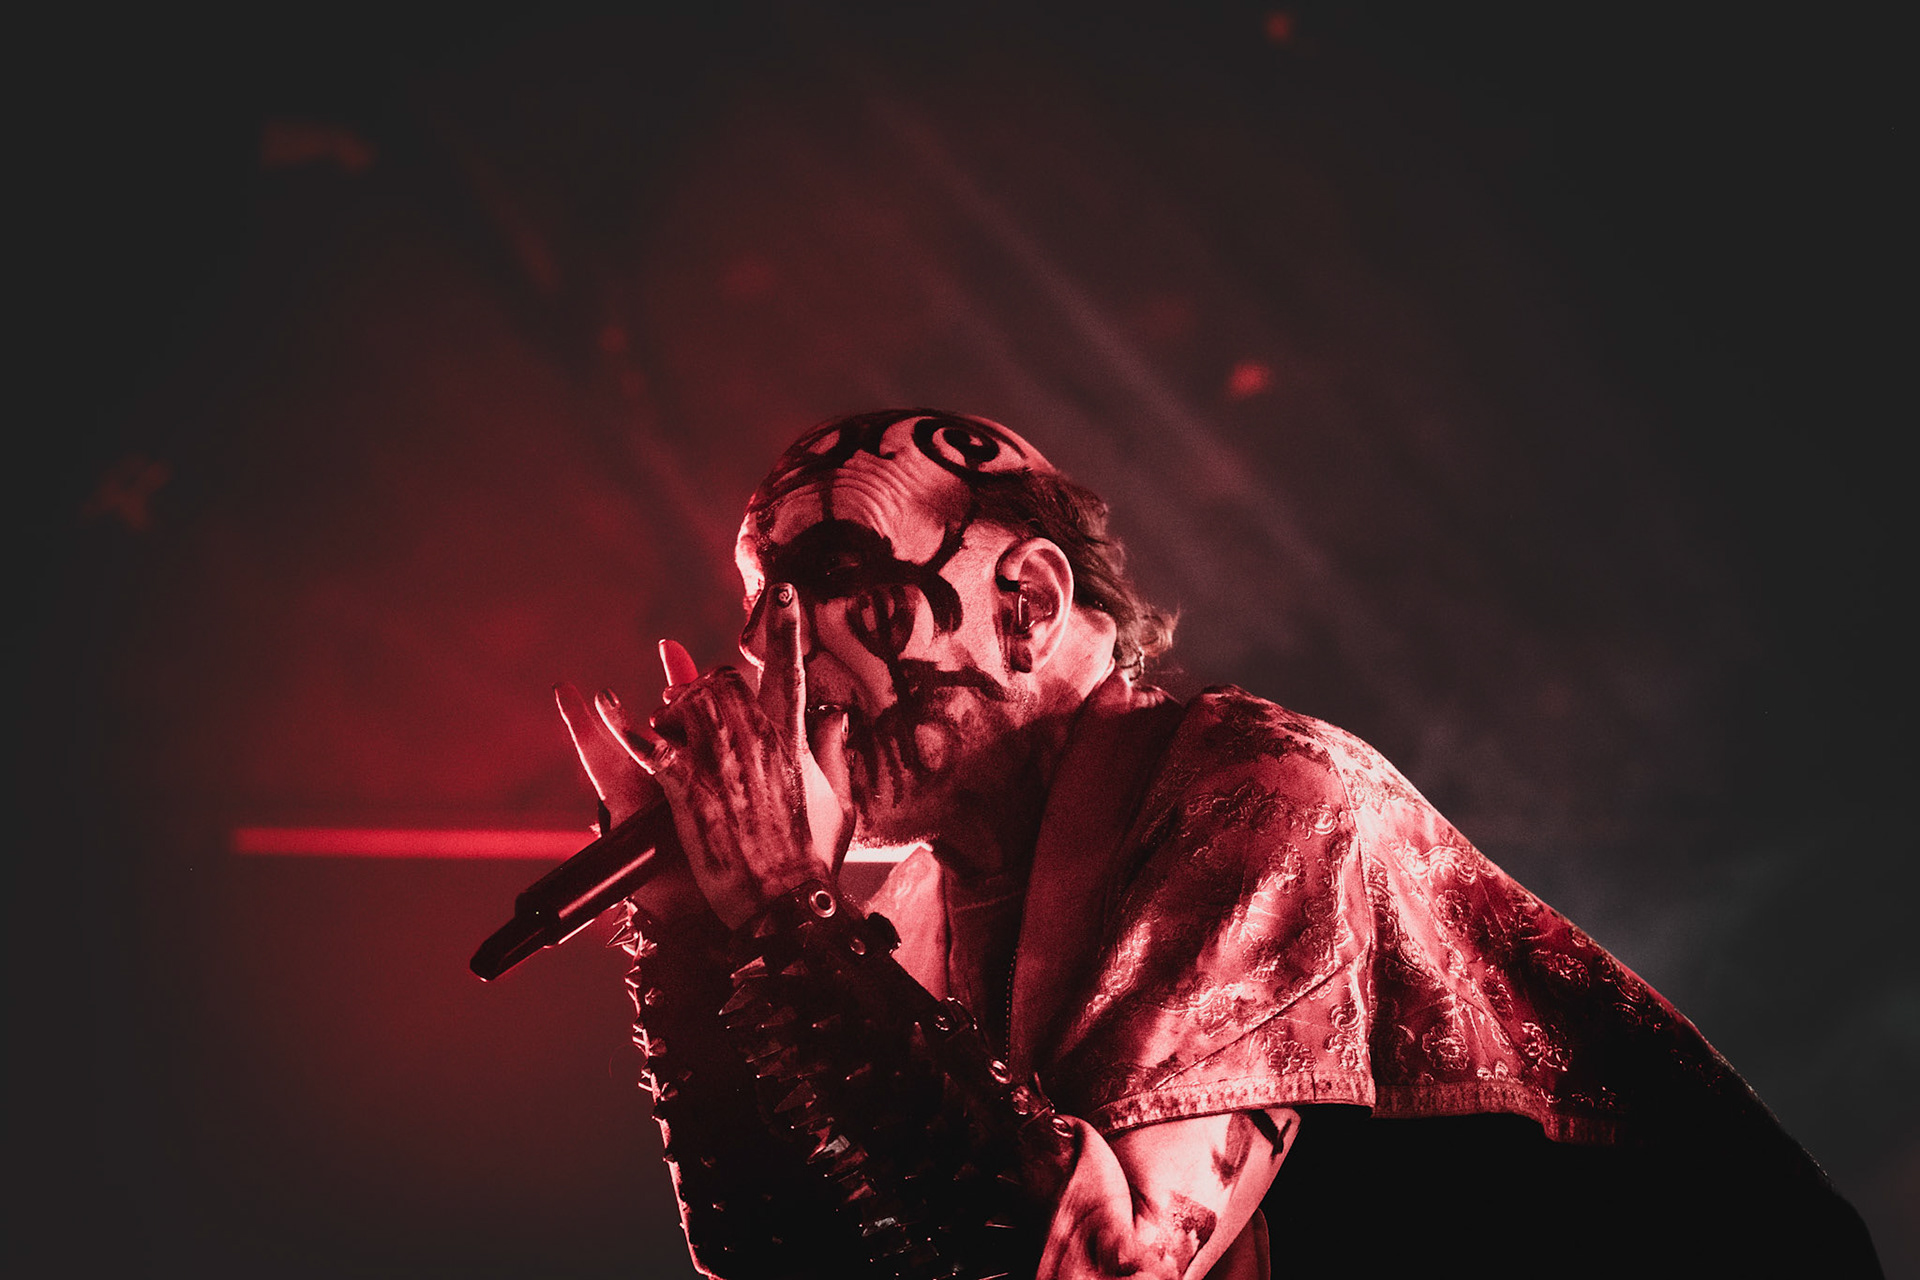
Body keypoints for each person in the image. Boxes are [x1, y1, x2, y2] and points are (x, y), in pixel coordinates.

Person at [555, 409, 1878, 1279]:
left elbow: (1107, 1263)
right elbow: (795, 1262)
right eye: (766, 612)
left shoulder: (1263, 792)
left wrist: (790, 921)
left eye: (843, 589)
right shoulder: (905, 918)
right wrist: (691, 949)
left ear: (1027, 601)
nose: (783, 660)